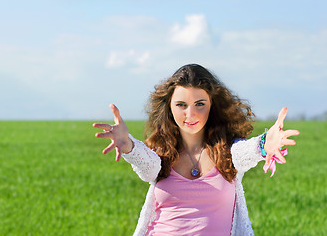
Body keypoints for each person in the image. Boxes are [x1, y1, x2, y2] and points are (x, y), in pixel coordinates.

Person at [93, 64, 299, 236]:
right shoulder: (160, 154)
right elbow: (144, 161)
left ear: (212, 105)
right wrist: (127, 144)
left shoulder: (227, 153)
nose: (190, 114)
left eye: (199, 104)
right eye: (181, 104)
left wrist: (265, 144)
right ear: (169, 108)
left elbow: (248, 151)